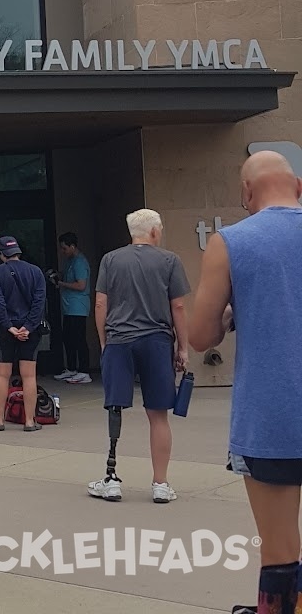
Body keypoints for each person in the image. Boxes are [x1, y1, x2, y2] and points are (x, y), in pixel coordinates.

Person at [190, 151, 302, 614]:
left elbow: (200, 336)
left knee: (279, 551)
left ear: (246, 194)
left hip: (273, 414)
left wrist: (234, 315)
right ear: (298, 187)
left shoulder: (231, 242)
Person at [88, 209, 189, 504]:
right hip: (157, 340)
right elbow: (179, 307)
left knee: (114, 408)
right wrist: (182, 347)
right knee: (158, 416)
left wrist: (105, 342)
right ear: (155, 231)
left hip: (120, 338)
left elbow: (100, 303)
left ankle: (111, 478)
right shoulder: (169, 260)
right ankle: (160, 483)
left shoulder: (111, 259)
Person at [0, 236, 47, 432]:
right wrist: (28, 327)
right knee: (29, 376)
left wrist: (9, 326)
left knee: (2, 375)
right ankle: (30, 421)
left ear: (2, 254)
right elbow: (39, 303)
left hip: (5, 330)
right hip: (30, 330)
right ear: (18, 252)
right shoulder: (36, 272)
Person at [53, 232, 92, 384]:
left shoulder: (80, 262)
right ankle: (71, 368)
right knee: (68, 338)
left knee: (79, 339)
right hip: (69, 307)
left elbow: (81, 285)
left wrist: (61, 284)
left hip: (78, 307)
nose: (62, 251)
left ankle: (84, 370)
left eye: (64, 248)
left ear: (72, 246)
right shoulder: (69, 261)